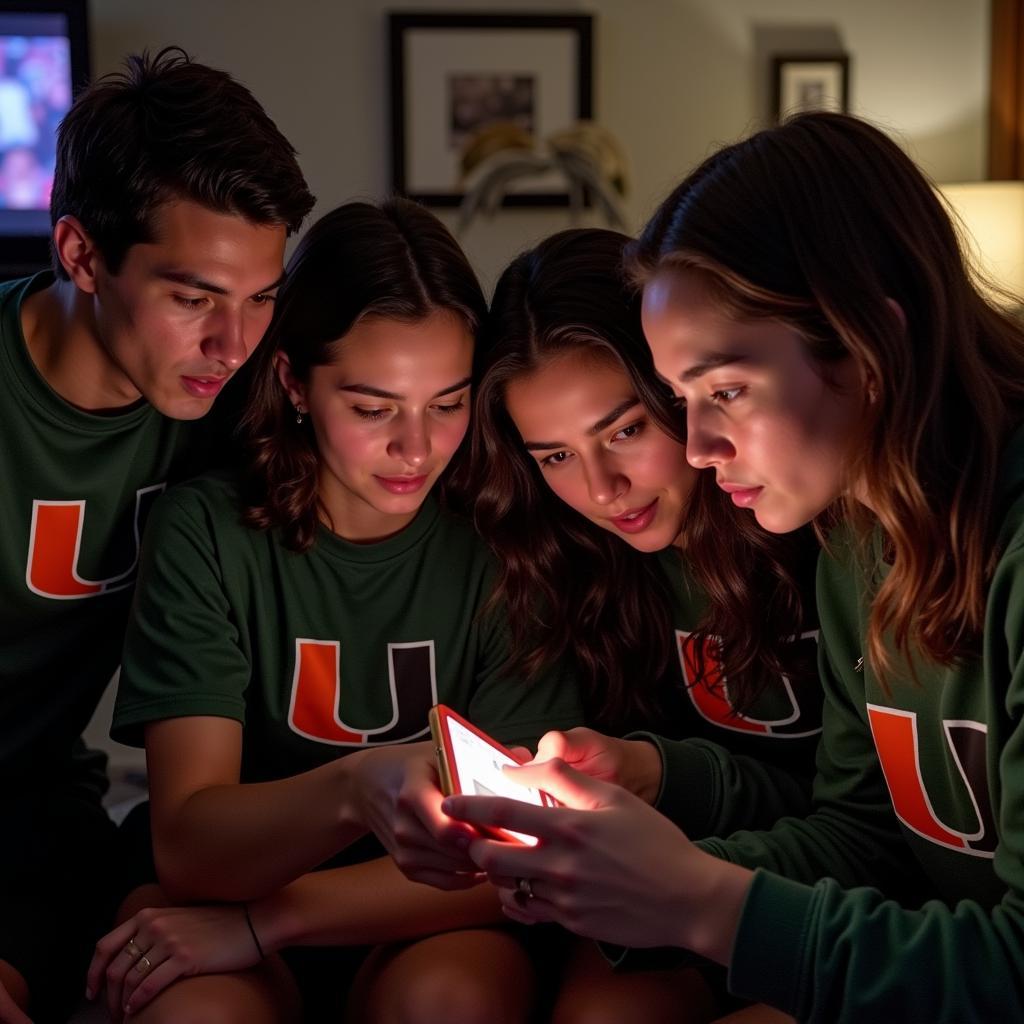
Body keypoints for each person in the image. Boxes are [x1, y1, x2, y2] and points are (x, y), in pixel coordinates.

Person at [434, 111, 1024, 1023]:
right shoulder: (857, 539)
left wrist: (699, 901)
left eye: (727, 392)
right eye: (679, 401)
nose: (700, 445)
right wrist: (620, 875)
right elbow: (866, 839)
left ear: (870, 343)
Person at [87, 198, 583, 1024]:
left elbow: (517, 863)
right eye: (372, 408)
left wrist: (269, 920)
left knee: (448, 1003)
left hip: (423, 919)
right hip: (223, 899)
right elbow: (190, 847)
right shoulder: (208, 532)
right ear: (293, 383)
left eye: (447, 403)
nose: (416, 448)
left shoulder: (507, 545)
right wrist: (358, 785)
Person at [0, 47, 313, 1024]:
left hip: (52, 819)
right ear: (82, 255)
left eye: (260, 297)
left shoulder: (233, 402)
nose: (235, 343)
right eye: (193, 298)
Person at [464, 227, 819, 1023]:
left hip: (830, 900)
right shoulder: (576, 565)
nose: (602, 487)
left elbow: (853, 821)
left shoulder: (810, 516)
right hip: (683, 889)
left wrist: (659, 772)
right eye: (554, 457)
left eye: (624, 430)